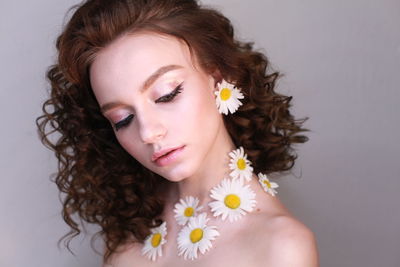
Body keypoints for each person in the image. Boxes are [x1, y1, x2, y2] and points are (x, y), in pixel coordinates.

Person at [37, 0, 319, 266]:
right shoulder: (129, 231)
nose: (148, 132)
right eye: (122, 119)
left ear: (218, 77)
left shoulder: (281, 247)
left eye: (167, 95)